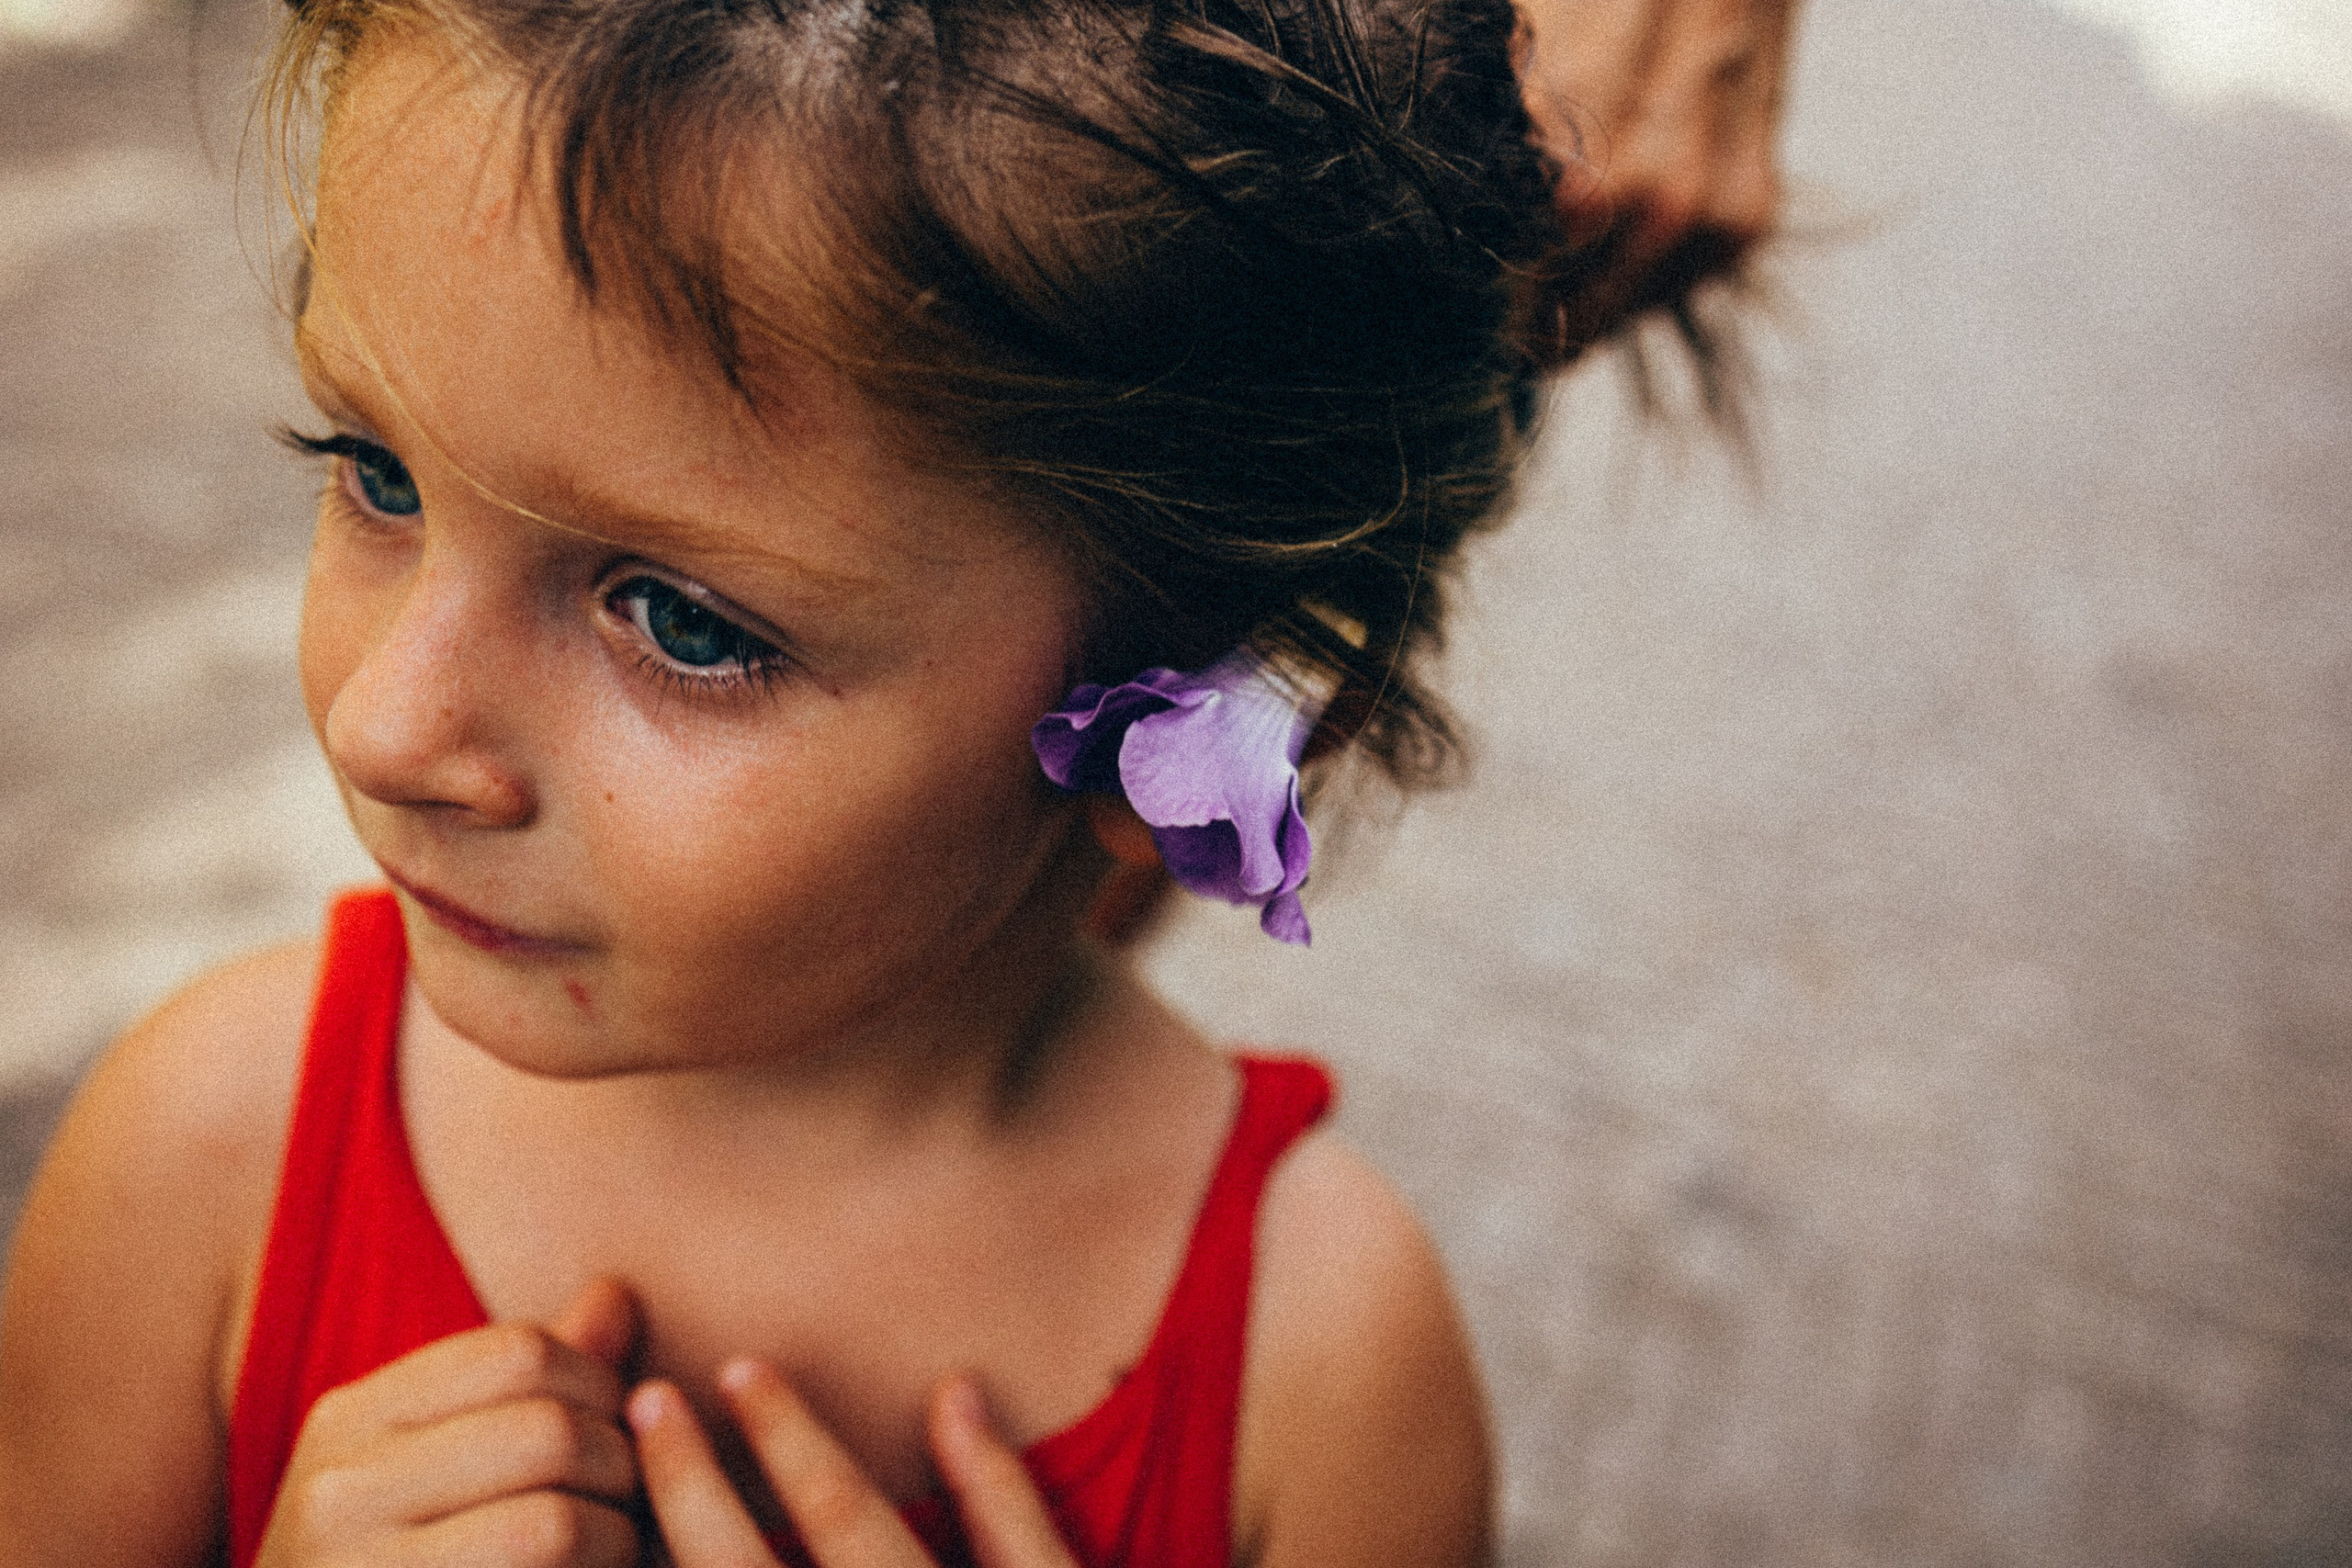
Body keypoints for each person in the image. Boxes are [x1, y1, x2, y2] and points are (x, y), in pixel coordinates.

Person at [0, 5, 1790, 1568]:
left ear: (1172, 699)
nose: (390, 725)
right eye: (374, 471)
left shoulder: (1315, 1376)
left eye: (680, 622)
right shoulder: (206, 1151)